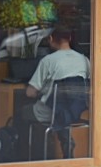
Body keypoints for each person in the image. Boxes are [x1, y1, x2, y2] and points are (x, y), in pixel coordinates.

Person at [19, 26, 91, 158]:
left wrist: (42, 91)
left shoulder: (48, 61)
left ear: (51, 39)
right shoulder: (84, 60)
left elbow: (30, 93)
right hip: (78, 111)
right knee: (63, 111)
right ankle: (66, 144)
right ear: (69, 38)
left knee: (23, 111)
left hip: (51, 112)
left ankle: (25, 155)